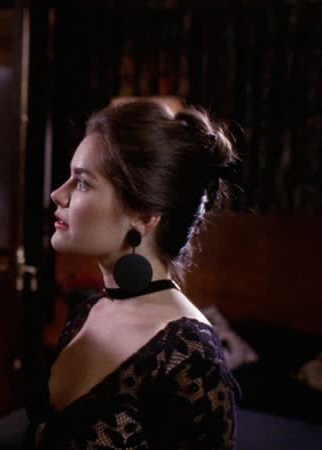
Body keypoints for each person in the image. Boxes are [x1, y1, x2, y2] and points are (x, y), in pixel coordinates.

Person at [31, 100, 241, 449]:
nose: (57, 194)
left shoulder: (190, 355)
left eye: (82, 183)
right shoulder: (89, 311)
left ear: (143, 216)